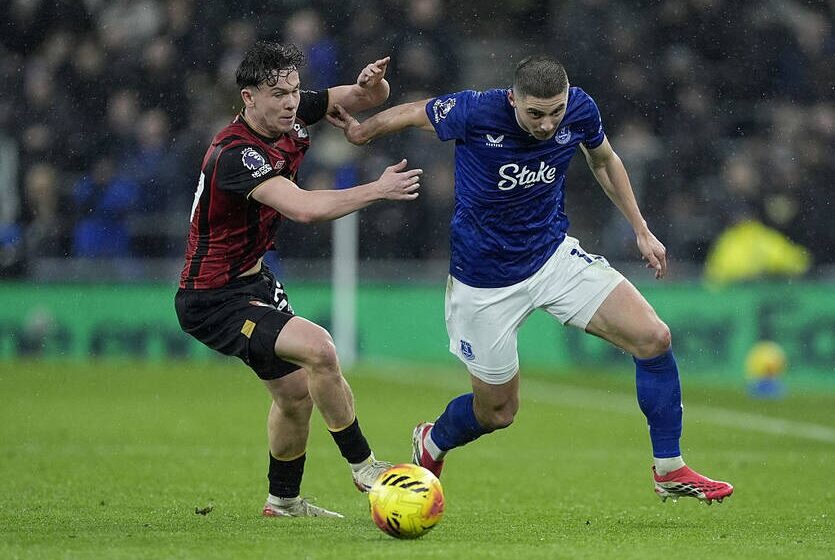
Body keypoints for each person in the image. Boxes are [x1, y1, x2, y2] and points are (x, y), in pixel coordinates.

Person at [329, 55, 734, 504]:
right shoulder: (477, 110)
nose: (546, 124)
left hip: (552, 257)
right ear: (513, 100)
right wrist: (363, 133)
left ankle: (669, 469)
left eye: (555, 112)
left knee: (653, 337)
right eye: (535, 113)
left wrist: (640, 228)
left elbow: (604, 160)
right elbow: (412, 112)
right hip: (483, 282)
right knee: (498, 412)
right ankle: (433, 441)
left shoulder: (580, 109)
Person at [174, 41, 422, 518]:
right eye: (278, 94)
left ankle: (283, 502)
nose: (291, 102)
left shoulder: (290, 111)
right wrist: (377, 189)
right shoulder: (235, 154)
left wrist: (374, 85)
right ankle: (365, 466)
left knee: (294, 396)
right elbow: (304, 209)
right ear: (249, 98)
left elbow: (366, 98)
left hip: (253, 282)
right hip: (212, 298)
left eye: (294, 90)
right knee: (320, 349)